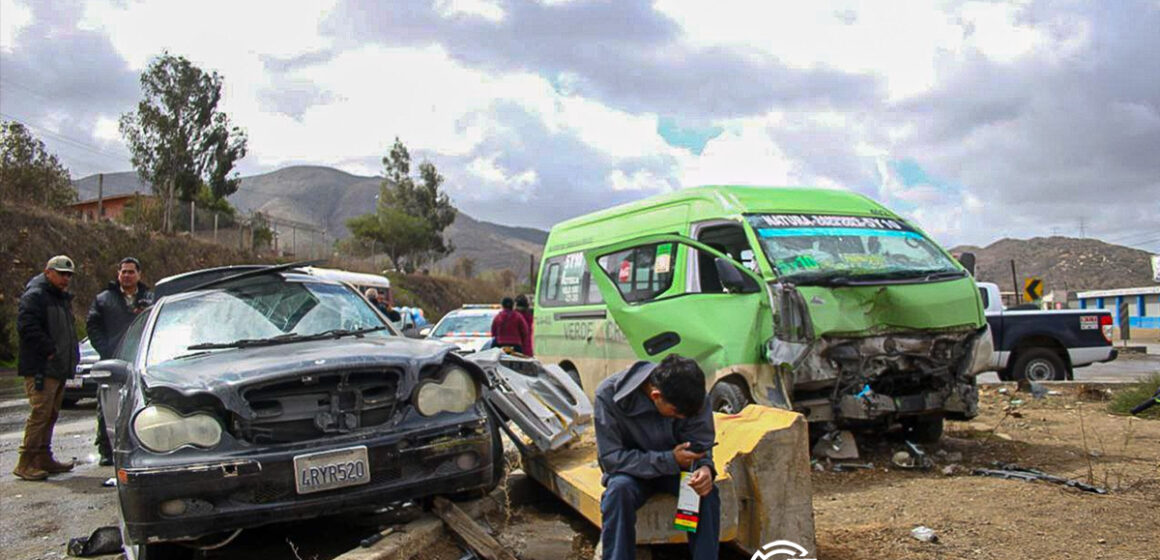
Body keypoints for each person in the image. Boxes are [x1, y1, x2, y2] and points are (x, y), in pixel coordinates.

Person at [595, 354, 719, 560]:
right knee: (618, 492)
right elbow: (611, 459)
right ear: (656, 396)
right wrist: (669, 460)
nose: (682, 418)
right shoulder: (608, 395)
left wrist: (705, 468)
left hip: (676, 472)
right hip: (631, 474)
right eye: (676, 413)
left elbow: (701, 444)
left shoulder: (693, 397)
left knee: (705, 492)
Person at [14, 255, 81, 481]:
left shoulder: (60, 298)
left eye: (68, 275)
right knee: (40, 414)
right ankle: (25, 462)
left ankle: (43, 456)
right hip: (42, 367)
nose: (65, 279)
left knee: (51, 414)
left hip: (57, 366)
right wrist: (49, 350)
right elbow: (26, 326)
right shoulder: (36, 296)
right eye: (61, 274)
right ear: (48, 272)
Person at [86, 257, 153, 465]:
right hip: (113, 361)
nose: (127, 275)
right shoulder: (103, 299)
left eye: (131, 272)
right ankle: (107, 450)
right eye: (123, 272)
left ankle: (144, 447)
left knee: (143, 403)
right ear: (118, 274)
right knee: (107, 406)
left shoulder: (151, 298)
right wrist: (106, 351)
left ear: (139, 275)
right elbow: (93, 326)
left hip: (143, 361)